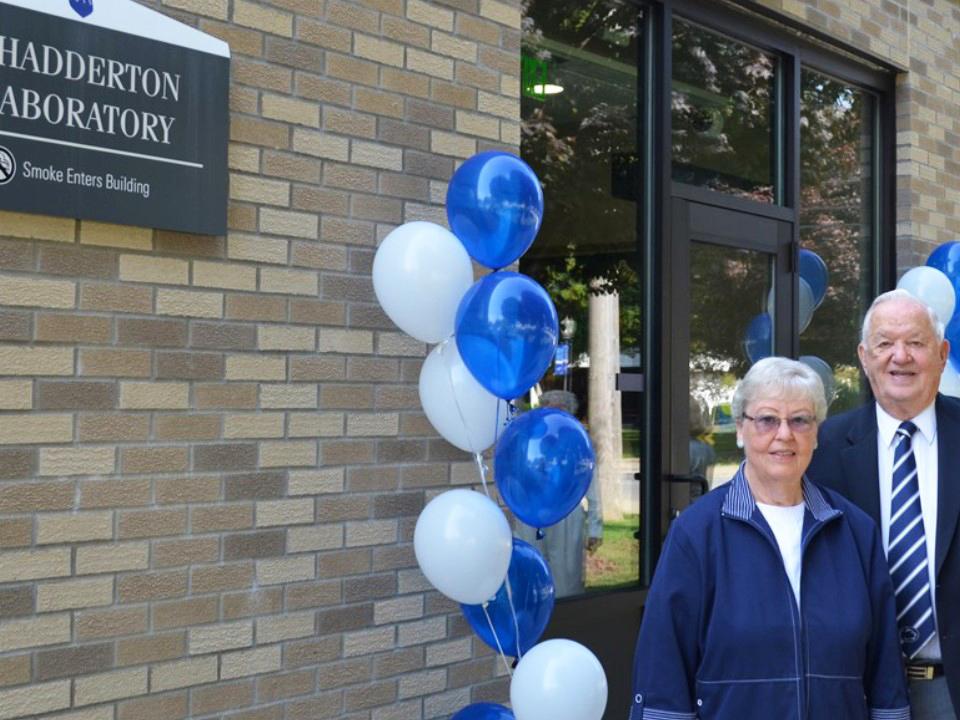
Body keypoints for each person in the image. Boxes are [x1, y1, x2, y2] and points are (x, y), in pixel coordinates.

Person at [631, 357, 909, 720]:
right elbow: (662, 670)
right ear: (741, 429)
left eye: (800, 420)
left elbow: (885, 671)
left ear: (816, 432)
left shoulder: (854, 531)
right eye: (766, 419)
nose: (784, 434)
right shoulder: (697, 534)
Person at [808, 289, 960, 719]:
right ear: (863, 356)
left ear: (942, 353)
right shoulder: (821, 449)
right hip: (856, 687)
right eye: (885, 343)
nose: (901, 357)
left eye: (915, 342)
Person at [516, 389, 602, 597]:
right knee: (531, 566)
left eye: (559, 413)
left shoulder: (579, 443)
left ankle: (566, 616)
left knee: (566, 573)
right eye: (548, 412)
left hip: (566, 513)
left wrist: (595, 528)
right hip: (531, 510)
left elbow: (593, 488)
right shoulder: (529, 439)